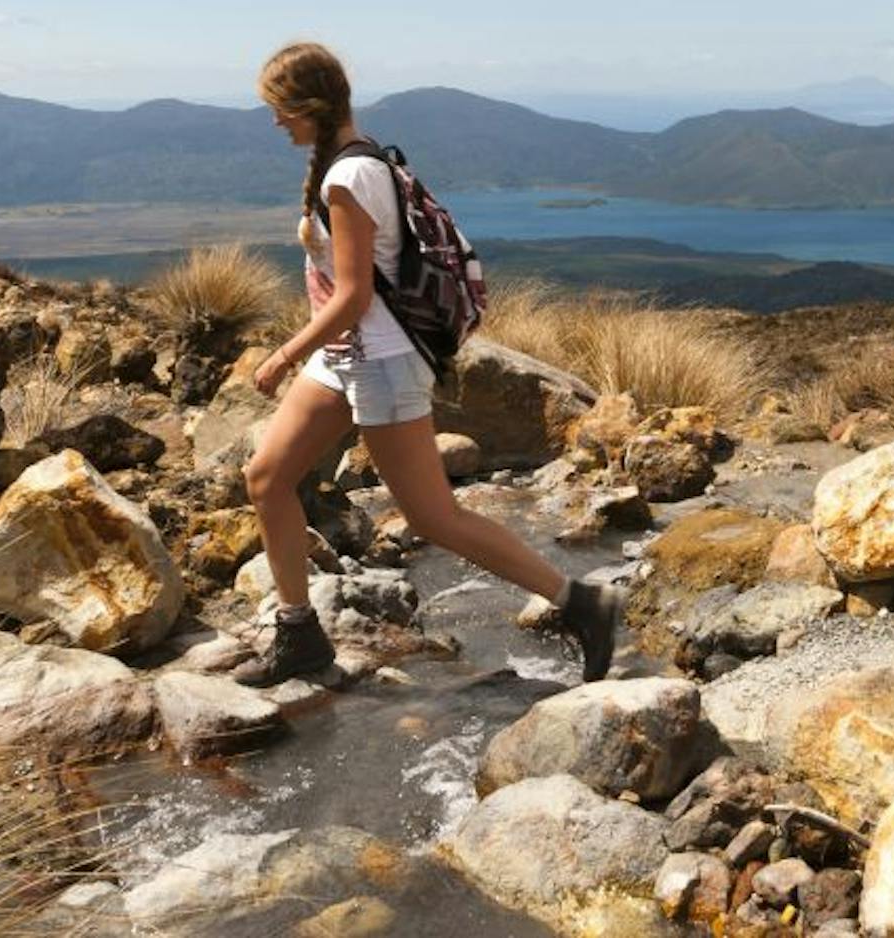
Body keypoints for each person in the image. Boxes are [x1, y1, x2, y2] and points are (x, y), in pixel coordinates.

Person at [231, 41, 620, 685]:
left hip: (381, 363)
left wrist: (282, 355)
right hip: (344, 359)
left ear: (311, 106)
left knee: (433, 517)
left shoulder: (348, 178)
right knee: (267, 478)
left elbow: (354, 296)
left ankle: (580, 603)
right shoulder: (355, 161)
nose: (275, 121)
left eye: (281, 108)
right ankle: (298, 634)